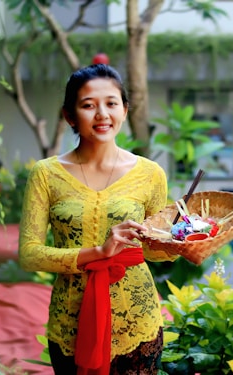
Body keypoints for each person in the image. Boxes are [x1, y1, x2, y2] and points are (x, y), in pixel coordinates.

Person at [18, 64, 178, 375]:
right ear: (69, 116)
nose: (102, 114)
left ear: (125, 110)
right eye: (88, 105)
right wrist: (98, 254)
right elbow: (29, 254)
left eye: (111, 103)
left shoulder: (150, 174)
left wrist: (181, 241)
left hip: (138, 320)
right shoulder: (46, 174)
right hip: (71, 322)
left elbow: (156, 252)